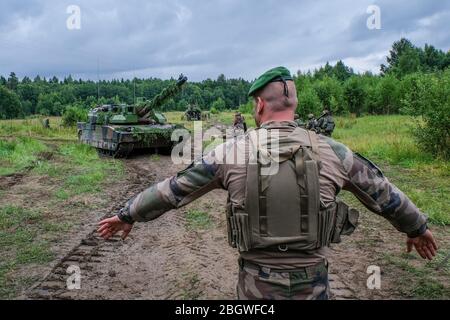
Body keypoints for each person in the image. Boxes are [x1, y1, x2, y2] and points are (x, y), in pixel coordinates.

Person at [98, 66, 438, 300]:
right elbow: (384, 195)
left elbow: (172, 191)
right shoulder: (335, 153)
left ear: (259, 104)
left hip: (255, 285)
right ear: (294, 103)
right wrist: (417, 228)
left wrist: (128, 215)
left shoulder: (228, 153)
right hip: (314, 282)